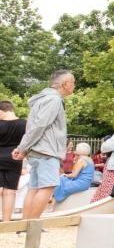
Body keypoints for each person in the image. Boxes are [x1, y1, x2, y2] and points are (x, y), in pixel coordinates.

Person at [12, 69, 75, 220]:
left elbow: (32, 126)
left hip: (38, 150)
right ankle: (32, 225)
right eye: (73, 82)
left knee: (34, 188)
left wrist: (24, 148)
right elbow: (40, 125)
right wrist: (22, 147)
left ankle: (25, 225)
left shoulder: (42, 99)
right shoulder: (54, 100)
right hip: (46, 151)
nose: (74, 85)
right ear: (65, 84)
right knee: (47, 187)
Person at [0, 100, 26, 222]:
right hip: (14, 159)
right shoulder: (24, 124)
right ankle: (6, 222)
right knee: (10, 192)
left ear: (2, 111)